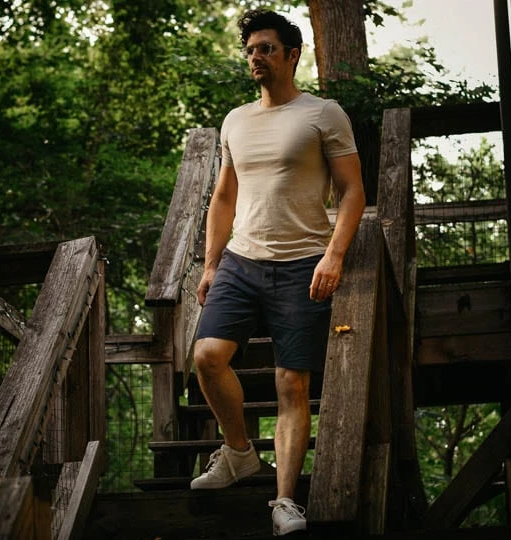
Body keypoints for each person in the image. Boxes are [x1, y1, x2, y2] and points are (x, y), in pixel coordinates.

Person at [188, 8, 366, 537]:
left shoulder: (323, 114)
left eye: (266, 48)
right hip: (241, 262)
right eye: (250, 50)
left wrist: (334, 254)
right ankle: (239, 453)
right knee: (206, 357)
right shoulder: (236, 120)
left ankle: (285, 501)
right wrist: (211, 264)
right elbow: (223, 196)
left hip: (302, 265)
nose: (255, 57)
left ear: (292, 55)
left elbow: (353, 190)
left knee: (292, 382)